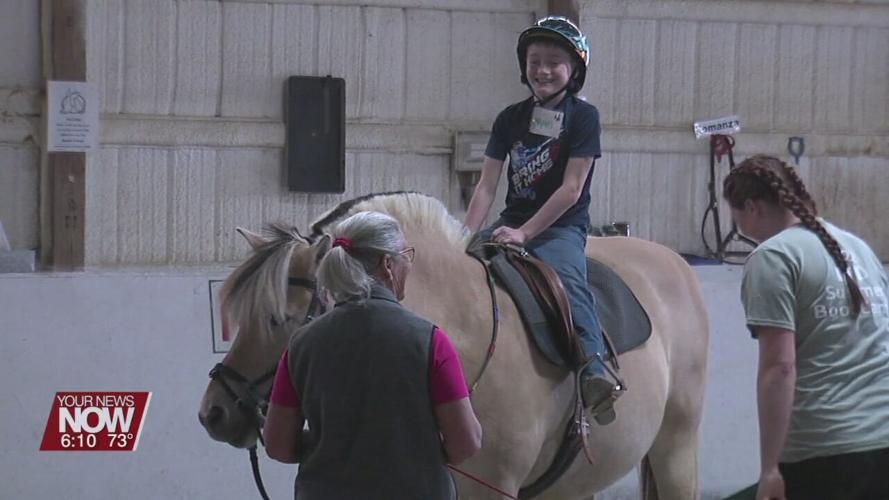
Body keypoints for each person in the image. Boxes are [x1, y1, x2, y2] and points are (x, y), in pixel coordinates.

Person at [263, 211, 482, 500]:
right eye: (406, 255)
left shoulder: (301, 345)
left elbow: (278, 444)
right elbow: (466, 442)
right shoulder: (431, 341)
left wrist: (334, 445)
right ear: (388, 264)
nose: (409, 265)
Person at [463, 16, 616, 417]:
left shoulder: (584, 118)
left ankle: (593, 366)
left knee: (568, 278)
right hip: (510, 221)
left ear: (574, 69)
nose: (542, 70)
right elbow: (486, 186)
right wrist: (460, 235)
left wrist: (526, 233)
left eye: (553, 61)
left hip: (560, 227)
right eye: (534, 60)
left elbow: (571, 189)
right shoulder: (510, 117)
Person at [723, 155, 889, 500]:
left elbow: (780, 367)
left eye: (736, 216)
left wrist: (770, 469)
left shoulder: (773, 258)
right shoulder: (858, 248)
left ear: (751, 207)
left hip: (825, 450)